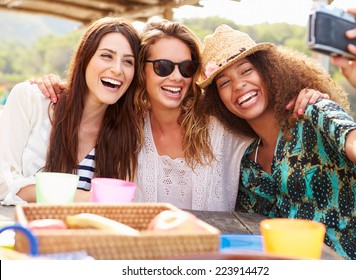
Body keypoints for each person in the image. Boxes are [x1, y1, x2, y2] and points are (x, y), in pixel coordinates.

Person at [31, 20, 327, 211]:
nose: (176, 77)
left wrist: (307, 93)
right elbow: (92, 95)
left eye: (186, 68)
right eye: (162, 67)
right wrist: (58, 87)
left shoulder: (220, 125)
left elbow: (261, 108)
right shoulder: (125, 126)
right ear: (140, 70)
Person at [199, 9, 356, 259]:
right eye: (224, 82)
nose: (238, 85)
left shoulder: (314, 111)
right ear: (218, 100)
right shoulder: (246, 159)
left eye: (246, 71)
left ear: (269, 71)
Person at [0, 17, 141, 205]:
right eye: (107, 56)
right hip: (22, 232)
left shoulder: (127, 133)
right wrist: (82, 197)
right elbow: (3, 183)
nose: (117, 69)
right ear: (85, 58)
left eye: (128, 62)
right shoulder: (31, 100)